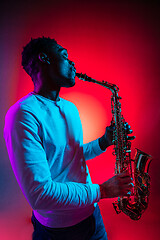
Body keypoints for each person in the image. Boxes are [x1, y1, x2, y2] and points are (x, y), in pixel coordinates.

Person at [4, 37, 133, 240]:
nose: (72, 63)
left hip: (93, 217)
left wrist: (105, 141)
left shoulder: (70, 108)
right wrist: (103, 190)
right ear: (44, 58)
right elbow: (41, 195)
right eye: (64, 56)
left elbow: (69, 156)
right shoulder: (23, 114)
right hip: (57, 231)